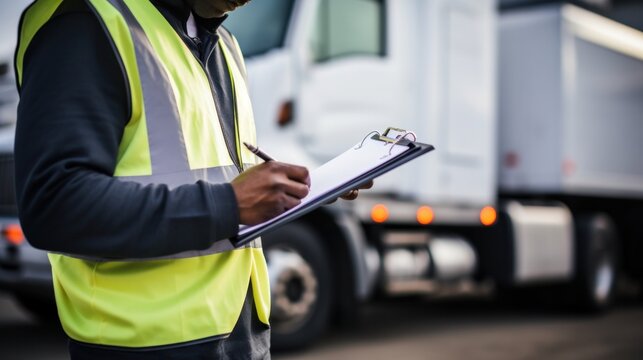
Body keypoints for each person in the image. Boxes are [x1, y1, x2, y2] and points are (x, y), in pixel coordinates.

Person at [14, 0, 365, 358]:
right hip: (144, 344)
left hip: (241, 335)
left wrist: (289, 188)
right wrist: (230, 204)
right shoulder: (84, 25)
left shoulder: (223, 41)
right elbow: (54, 205)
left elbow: (207, 170)